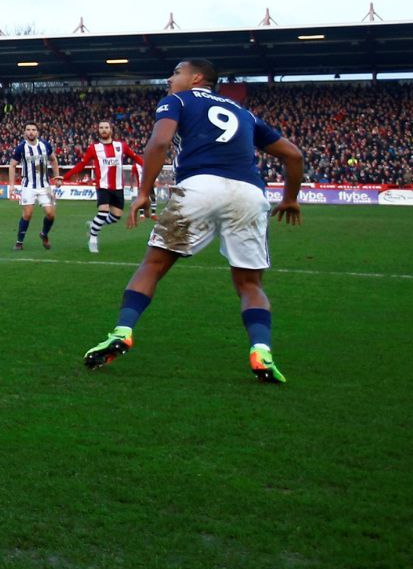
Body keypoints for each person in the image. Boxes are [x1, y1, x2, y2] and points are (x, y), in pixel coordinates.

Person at [83, 59, 304, 383]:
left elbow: (159, 142)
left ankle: (122, 331)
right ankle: (261, 351)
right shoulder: (244, 113)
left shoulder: (178, 100)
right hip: (248, 193)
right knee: (249, 284)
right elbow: (294, 155)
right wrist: (290, 198)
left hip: (199, 187)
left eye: (176, 72)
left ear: (196, 78)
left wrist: (144, 192)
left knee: (153, 266)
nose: (170, 78)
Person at [61, 120, 143, 254]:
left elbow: (135, 157)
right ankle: (93, 239)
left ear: (111, 130)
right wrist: (64, 177)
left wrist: (148, 166)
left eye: (106, 127)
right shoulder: (94, 148)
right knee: (103, 211)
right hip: (102, 186)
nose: (104, 130)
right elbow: (81, 165)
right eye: (101, 128)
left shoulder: (121, 146)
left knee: (116, 217)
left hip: (118, 187)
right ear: (98, 130)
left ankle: (93, 225)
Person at [8, 123, 58, 250]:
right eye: (28, 130)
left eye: (33, 130)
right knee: (27, 214)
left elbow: (53, 160)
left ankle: (44, 234)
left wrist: (57, 177)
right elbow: (12, 165)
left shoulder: (45, 145)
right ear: (25, 132)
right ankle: (19, 242)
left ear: (37, 132)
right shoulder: (21, 148)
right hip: (28, 186)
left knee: (51, 214)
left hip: (45, 186)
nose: (31, 132)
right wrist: (12, 185)